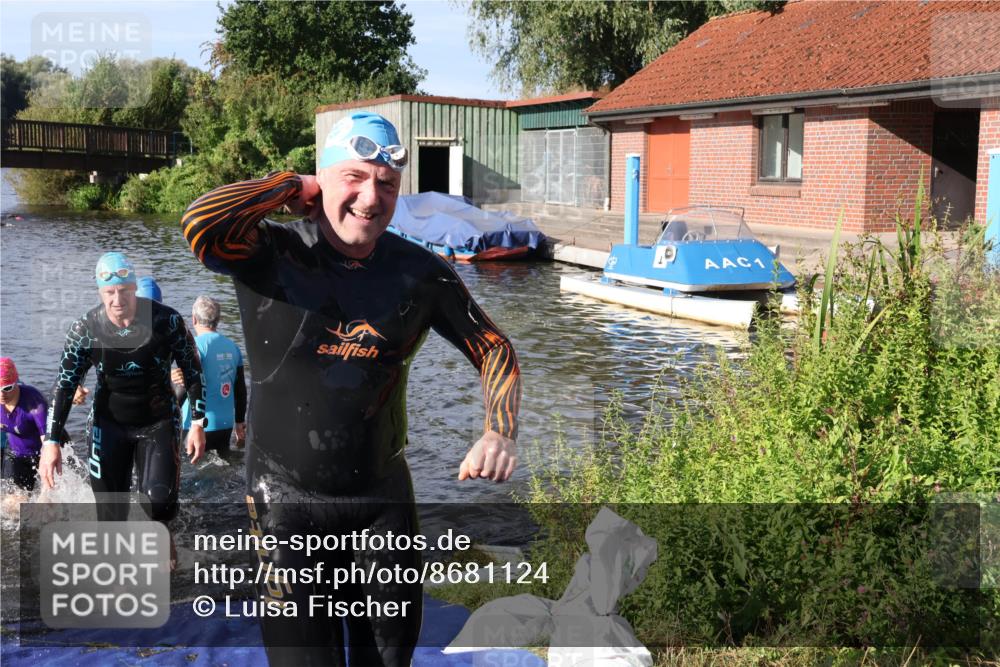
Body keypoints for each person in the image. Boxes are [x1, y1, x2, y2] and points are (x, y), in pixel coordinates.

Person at [181, 111, 521, 666]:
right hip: (283, 506)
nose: (371, 197)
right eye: (354, 178)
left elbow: (494, 348)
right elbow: (200, 222)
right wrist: (288, 187)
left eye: (387, 185)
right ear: (322, 182)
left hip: (381, 504)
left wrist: (499, 430)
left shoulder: (421, 274)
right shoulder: (273, 253)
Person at [38, 252, 207, 525]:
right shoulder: (85, 329)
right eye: (110, 292)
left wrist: (198, 423)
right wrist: (52, 441)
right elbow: (65, 384)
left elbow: (193, 371)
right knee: (110, 513)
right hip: (108, 423)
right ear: (100, 292)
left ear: (135, 287)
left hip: (158, 421)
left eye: (125, 291)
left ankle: (165, 540)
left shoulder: (167, 321)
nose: (118, 300)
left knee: (158, 504)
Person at [171, 295, 247, 460]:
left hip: (197, 426)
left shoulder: (194, 346)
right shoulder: (234, 348)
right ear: (217, 320)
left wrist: (166, 417)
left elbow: (185, 387)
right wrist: (239, 422)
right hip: (225, 425)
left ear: (194, 319)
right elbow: (240, 389)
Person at [1, 358, 47, 494]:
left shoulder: (34, 402)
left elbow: (48, 442)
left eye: (7, 388)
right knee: (12, 503)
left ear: (16, 382)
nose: (2, 394)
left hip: (43, 451)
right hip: (15, 452)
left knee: (47, 503)